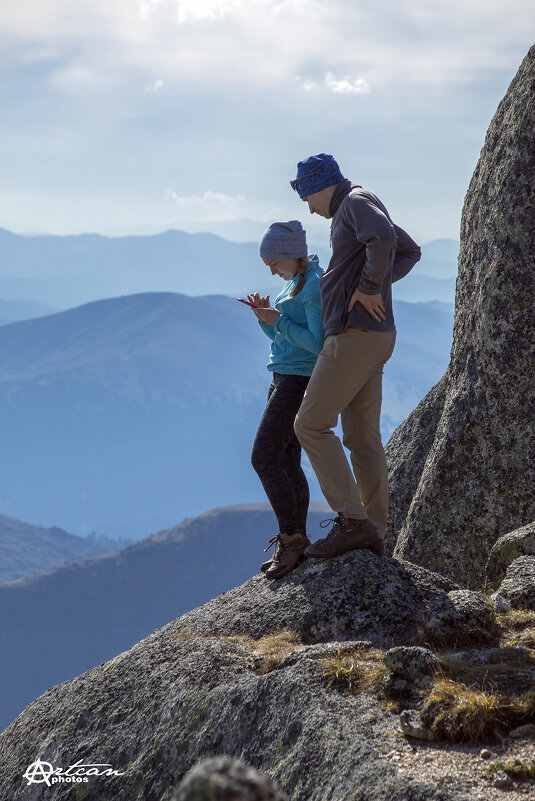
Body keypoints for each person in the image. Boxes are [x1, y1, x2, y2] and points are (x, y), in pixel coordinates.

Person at [290, 153, 421, 559]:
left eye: (307, 198)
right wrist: (371, 289)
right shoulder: (358, 203)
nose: (310, 209)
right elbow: (409, 250)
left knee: (310, 424)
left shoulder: (354, 202)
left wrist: (367, 289)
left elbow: (385, 240)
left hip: (353, 338)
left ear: (319, 186)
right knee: (362, 438)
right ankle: (374, 533)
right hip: (374, 337)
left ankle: (352, 521)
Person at [247, 220, 324, 580]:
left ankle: (291, 539)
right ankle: (298, 539)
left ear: (291, 254)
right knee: (288, 459)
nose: (272, 270)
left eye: (274, 262)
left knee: (263, 456)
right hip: (283, 376)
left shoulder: (312, 287)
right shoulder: (296, 281)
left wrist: (277, 322)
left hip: (296, 381)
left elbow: (318, 343)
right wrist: (266, 320)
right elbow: (285, 338)